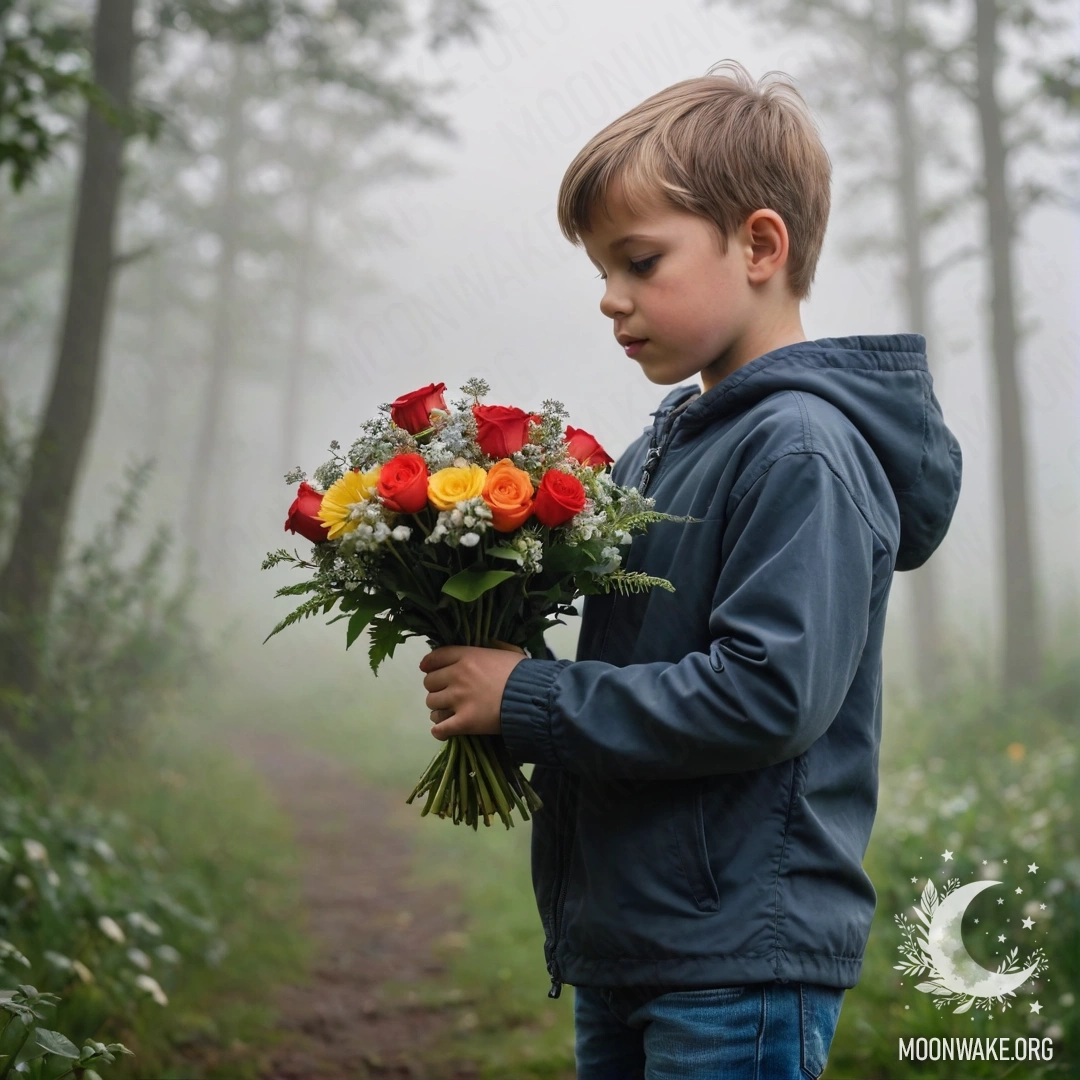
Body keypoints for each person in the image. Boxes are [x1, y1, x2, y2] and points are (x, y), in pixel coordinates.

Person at [417, 59, 962, 1079]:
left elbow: (766, 694)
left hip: (737, 958)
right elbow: (637, 656)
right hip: (637, 934)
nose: (612, 301)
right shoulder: (669, 442)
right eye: (600, 274)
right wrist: (486, 612)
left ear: (760, 244)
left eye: (639, 262)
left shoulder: (801, 448)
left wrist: (526, 698)